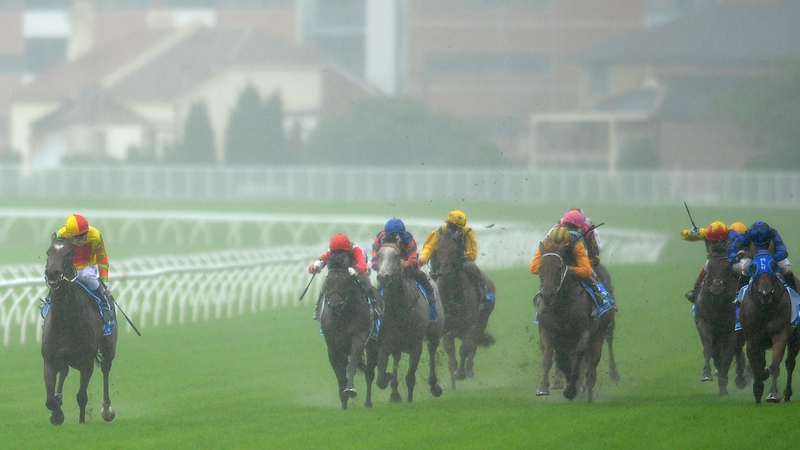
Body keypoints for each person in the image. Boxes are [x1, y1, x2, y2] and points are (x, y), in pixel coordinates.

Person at [530, 225, 613, 318]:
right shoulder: (547, 242)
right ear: (551, 242)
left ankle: (600, 296)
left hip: (574, 263)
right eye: (555, 246)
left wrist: (569, 269)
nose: (558, 249)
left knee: (590, 276)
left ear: (567, 242)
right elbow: (533, 268)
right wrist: (550, 270)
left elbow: (586, 271)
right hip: (555, 266)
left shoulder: (577, 243)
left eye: (560, 246)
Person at [419, 210, 496, 309]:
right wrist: (423, 259)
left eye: (454, 227)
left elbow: (472, 254)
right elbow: (428, 247)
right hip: (442, 260)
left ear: (461, 228)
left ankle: (484, 293)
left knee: (471, 267)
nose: (451, 229)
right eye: (449, 225)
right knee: (433, 269)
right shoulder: (439, 232)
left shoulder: (467, 232)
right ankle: (430, 295)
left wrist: (459, 256)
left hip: (460, 261)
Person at [371, 217, 438, 321]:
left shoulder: (408, 238)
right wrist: (378, 266)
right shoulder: (379, 238)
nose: (396, 237)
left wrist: (406, 264)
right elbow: (375, 257)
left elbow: (414, 261)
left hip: (406, 265)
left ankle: (431, 298)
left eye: (398, 235)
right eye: (393, 236)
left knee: (421, 275)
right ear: (387, 234)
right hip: (388, 265)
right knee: (380, 284)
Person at [55, 213, 113, 323]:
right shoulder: (61, 235)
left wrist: (105, 281)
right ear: (70, 234)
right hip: (69, 268)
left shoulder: (95, 235)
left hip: (87, 266)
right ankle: (49, 303)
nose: (81, 240)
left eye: (83, 235)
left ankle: (103, 301)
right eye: (77, 237)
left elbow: (102, 259)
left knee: (87, 276)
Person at [310, 233, 379, 320]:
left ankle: (373, 302)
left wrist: (355, 270)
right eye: (336, 253)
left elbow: (362, 265)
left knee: (364, 279)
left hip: (358, 267)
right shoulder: (330, 252)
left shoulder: (356, 249)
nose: (338, 255)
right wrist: (315, 266)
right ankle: (318, 306)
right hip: (339, 271)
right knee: (326, 282)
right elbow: (313, 268)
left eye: (341, 253)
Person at [728, 221, 798, 295]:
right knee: (745, 267)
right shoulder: (747, 235)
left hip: (772, 257)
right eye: (756, 244)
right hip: (752, 258)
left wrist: (772, 257)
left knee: (785, 267)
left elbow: (782, 250)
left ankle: (795, 293)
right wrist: (736, 256)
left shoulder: (773, 233)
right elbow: (732, 249)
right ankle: (739, 296)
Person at [680, 221, 743, 303]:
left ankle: (742, 291)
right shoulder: (706, 233)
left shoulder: (734, 236)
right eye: (712, 242)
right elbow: (685, 235)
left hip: (730, 258)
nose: (714, 244)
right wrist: (689, 233)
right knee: (706, 267)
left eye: (717, 242)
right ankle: (696, 291)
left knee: (739, 269)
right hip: (714, 258)